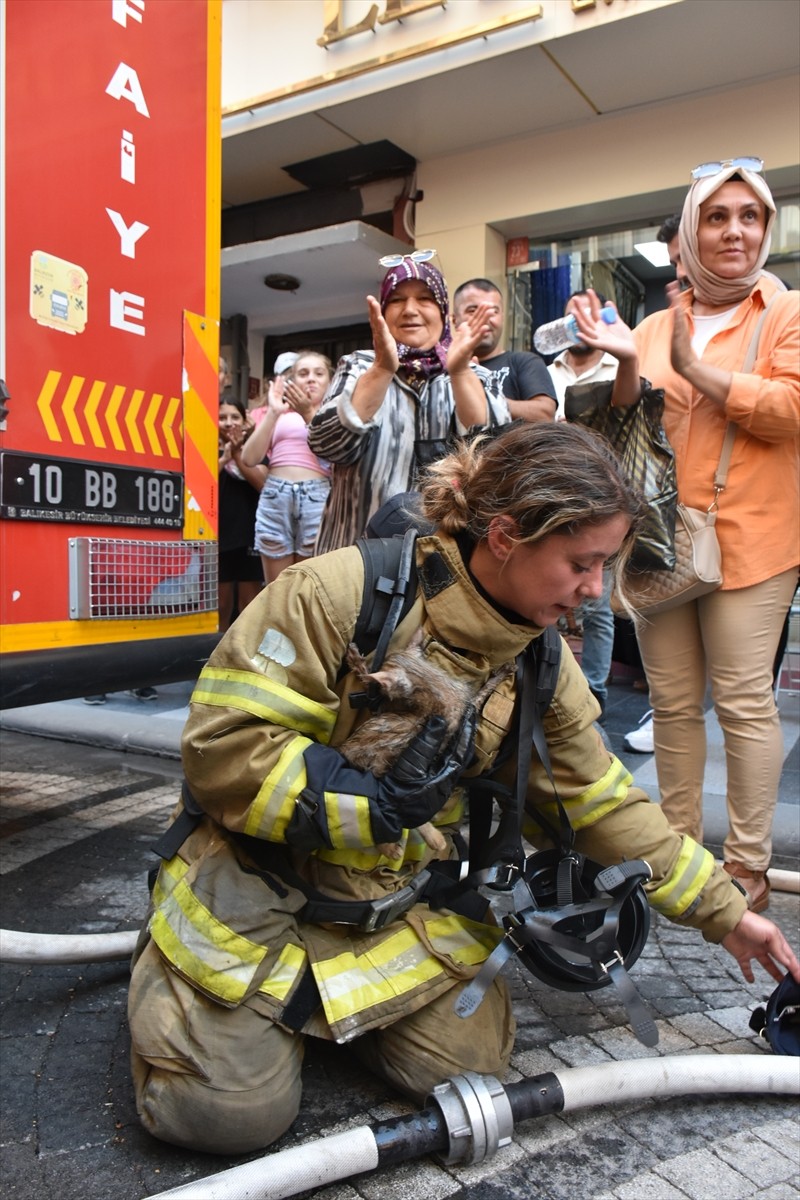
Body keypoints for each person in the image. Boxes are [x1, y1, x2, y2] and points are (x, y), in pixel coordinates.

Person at [127, 421, 799, 1157]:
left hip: (390, 904)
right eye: (581, 562)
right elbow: (222, 752)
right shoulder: (334, 594)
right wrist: (365, 804)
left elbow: (599, 800)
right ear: (507, 535)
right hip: (259, 890)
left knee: (471, 1066)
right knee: (225, 1118)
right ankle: (179, 979)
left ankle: (299, 1015)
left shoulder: (540, 661)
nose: (593, 590)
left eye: (606, 565)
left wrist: (726, 915)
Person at [572, 158, 800, 913]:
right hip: (664, 541)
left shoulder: (785, 311)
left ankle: (746, 867)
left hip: (756, 536)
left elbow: (790, 411)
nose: (734, 230)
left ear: (766, 229)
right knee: (671, 705)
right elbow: (624, 423)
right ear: (691, 232)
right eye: (717, 216)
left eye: (749, 217)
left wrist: (697, 370)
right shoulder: (654, 321)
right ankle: (674, 852)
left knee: (742, 704)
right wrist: (631, 362)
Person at [307, 253, 510, 553]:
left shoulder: (475, 374)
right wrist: (382, 370)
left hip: (442, 563)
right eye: (397, 300)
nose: (410, 310)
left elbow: (493, 459)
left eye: (425, 299)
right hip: (356, 560)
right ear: (383, 312)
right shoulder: (359, 366)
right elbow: (327, 445)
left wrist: (459, 372)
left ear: (443, 313)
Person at [548, 290, 620, 718]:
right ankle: (552, 688)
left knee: (596, 604)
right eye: (571, 315)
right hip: (554, 495)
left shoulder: (618, 363)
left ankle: (594, 689)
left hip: (603, 495)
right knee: (548, 597)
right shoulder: (548, 370)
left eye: (587, 313)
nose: (579, 321)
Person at [241, 351, 333, 583]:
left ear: (330, 381)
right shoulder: (280, 414)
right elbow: (249, 458)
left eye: (318, 373)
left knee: (307, 586)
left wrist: (309, 413)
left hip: (317, 496)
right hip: (275, 495)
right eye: (303, 373)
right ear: (292, 381)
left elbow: (336, 458)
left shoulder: (335, 414)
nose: (311, 378)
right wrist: (273, 411)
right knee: (277, 588)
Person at [452, 278, 556, 421]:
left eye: (493, 311)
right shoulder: (441, 370)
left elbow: (544, 414)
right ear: (454, 320)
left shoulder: (523, 362)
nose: (485, 318)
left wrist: (484, 399)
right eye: (473, 310)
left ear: (502, 317)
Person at [217, 393, 267, 630]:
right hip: (219, 536)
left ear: (245, 421)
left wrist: (237, 454)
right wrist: (223, 457)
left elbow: (262, 484)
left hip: (250, 535)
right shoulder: (204, 448)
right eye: (222, 417)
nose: (228, 423)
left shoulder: (255, 450)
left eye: (234, 417)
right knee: (221, 604)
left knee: (249, 605)